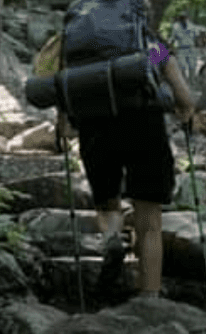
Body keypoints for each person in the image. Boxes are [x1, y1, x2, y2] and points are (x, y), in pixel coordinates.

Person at [77, 31, 198, 300]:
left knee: (107, 199)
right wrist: (186, 109)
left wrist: (64, 126)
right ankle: (148, 295)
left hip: (94, 126)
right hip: (144, 124)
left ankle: (111, 236)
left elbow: (64, 86)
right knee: (149, 217)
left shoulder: (84, 43)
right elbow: (182, 91)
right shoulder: (151, 43)